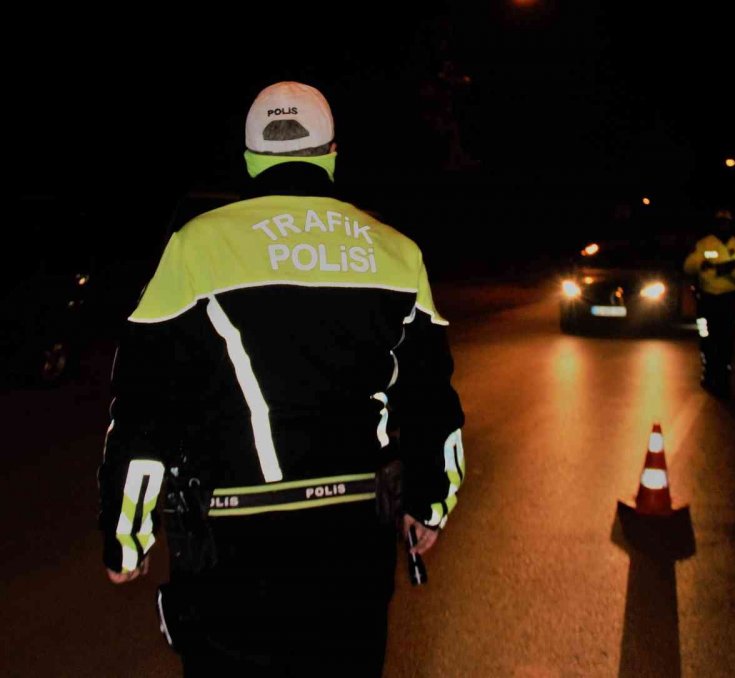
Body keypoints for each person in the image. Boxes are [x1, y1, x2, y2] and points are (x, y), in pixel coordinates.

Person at [98, 81, 466, 676]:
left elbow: (144, 408)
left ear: (250, 158)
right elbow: (431, 403)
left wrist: (127, 537)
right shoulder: (398, 253)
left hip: (233, 554)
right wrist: (429, 504)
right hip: (353, 548)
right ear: (332, 155)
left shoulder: (195, 247)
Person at [683, 208, 735, 397]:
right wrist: (702, 264)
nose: (723, 226)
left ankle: (724, 376)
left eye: (726, 223)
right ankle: (708, 372)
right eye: (720, 223)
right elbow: (689, 266)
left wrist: (727, 270)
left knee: (726, 339)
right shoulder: (704, 244)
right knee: (706, 336)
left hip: (728, 300)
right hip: (706, 299)